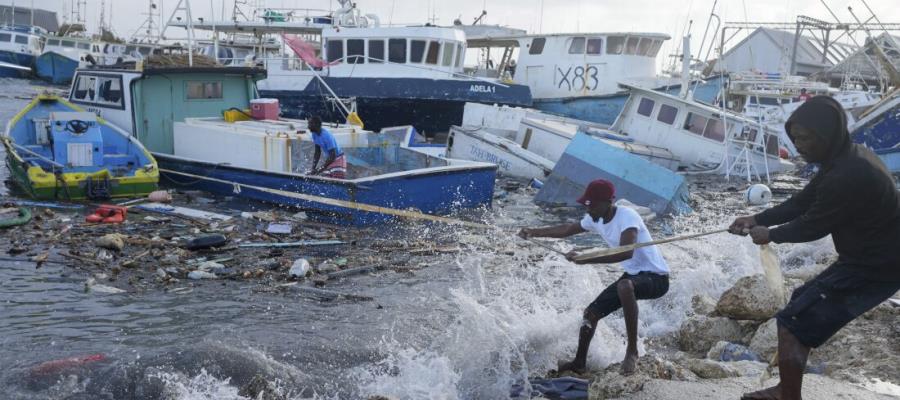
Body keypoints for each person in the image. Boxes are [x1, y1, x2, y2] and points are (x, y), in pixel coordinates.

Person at [730, 96, 900, 400]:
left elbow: (812, 225)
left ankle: (788, 394)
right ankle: (788, 385)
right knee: (800, 301)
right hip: (870, 259)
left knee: (793, 320)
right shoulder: (844, 158)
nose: (798, 146)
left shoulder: (848, 174)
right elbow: (803, 201)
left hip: (877, 267)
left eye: (805, 139)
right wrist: (756, 217)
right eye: (795, 139)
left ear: (827, 134)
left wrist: (769, 234)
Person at [519, 179, 670, 375]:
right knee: (590, 314)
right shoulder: (594, 218)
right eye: (587, 205)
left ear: (609, 202)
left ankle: (632, 351)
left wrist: (586, 258)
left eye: (593, 206)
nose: (589, 210)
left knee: (624, 286)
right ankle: (579, 362)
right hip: (634, 276)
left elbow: (626, 252)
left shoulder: (627, 217)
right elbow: (567, 229)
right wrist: (533, 232)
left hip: (657, 278)